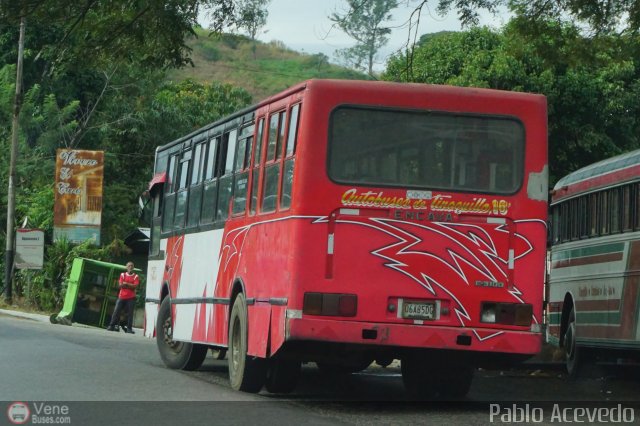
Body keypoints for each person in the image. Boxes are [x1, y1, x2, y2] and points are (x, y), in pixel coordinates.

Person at [107, 261, 139, 334]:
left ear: (133, 267)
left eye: (131, 266)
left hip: (131, 297)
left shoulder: (136, 276)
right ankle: (111, 326)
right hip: (121, 296)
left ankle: (129, 328)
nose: (130, 267)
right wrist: (130, 285)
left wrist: (126, 283)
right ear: (126, 267)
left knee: (130, 313)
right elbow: (120, 285)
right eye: (129, 266)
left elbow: (135, 286)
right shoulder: (123, 274)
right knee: (116, 311)